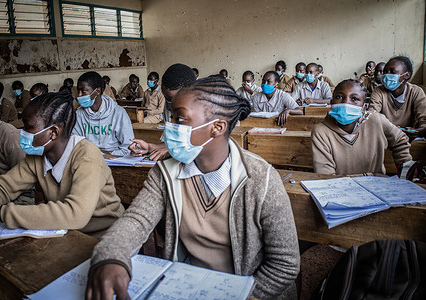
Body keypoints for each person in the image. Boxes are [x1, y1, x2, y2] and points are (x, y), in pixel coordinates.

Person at [86, 76, 300, 300]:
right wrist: (111, 258)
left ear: (216, 127)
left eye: (180, 119)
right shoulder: (165, 171)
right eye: (171, 117)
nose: (170, 127)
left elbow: (284, 264)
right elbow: (136, 221)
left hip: (247, 290)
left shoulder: (261, 179)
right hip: (187, 284)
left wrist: (239, 295)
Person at [0, 91, 125, 240]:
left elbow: (75, 214)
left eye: (28, 128)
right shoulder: (37, 156)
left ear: (53, 132)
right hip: (69, 233)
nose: (22, 133)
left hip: (107, 236)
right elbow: (3, 186)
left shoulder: (87, 155)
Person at [311, 79, 412, 175]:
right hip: (339, 190)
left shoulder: (376, 121)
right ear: (332, 103)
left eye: (354, 99)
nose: (346, 103)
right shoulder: (321, 131)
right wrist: (370, 176)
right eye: (339, 97)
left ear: (363, 109)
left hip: (379, 187)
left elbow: (400, 140)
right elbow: (326, 176)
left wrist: (406, 171)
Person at [128, 63, 197, 161]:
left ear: (190, 94)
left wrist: (171, 150)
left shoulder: (205, 115)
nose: (169, 103)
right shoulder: (169, 106)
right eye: (166, 97)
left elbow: (199, 148)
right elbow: (166, 145)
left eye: (172, 98)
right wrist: (149, 147)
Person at [72, 71, 134, 156]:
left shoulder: (118, 113)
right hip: (88, 158)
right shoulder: (79, 114)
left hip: (115, 158)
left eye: (83, 91)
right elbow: (75, 144)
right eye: (78, 91)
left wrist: (109, 154)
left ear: (97, 91)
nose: (79, 95)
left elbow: (128, 147)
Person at [369, 56, 426, 130]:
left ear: (406, 75)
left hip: (410, 136)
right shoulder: (379, 91)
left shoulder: (416, 92)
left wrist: (419, 131)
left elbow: (424, 119)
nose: (387, 75)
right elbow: (372, 115)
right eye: (385, 71)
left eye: (392, 71)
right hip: (386, 134)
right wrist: (393, 131)